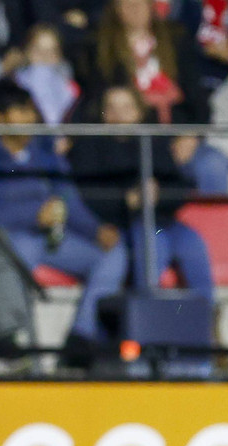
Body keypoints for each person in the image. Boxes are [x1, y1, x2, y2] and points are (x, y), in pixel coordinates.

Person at [0, 81, 127, 350]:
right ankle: (23, 345)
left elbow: (69, 200)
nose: (30, 118)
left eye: (31, 111)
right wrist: (34, 215)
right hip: (14, 239)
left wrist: (95, 230)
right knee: (12, 256)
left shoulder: (45, 152)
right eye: (21, 111)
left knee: (114, 252)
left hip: (54, 238)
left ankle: (82, 336)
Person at [69, 86, 214, 300]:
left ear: (139, 112)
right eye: (111, 108)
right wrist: (126, 201)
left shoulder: (154, 141)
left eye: (126, 107)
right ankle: (146, 310)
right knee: (153, 243)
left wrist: (158, 194)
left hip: (164, 221)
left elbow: (181, 188)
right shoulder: (89, 146)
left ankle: (206, 312)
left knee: (193, 243)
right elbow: (87, 196)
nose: (119, 115)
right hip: (125, 224)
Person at [86, 0, 204, 124]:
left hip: (175, 125)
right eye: (127, 3)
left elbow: (194, 92)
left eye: (140, 2)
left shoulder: (177, 40)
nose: (134, 8)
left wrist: (191, 131)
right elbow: (98, 97)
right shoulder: (102, 48)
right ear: (116, 9)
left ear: (150, 5)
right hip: (127, 128)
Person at [11, 23, 80, 125]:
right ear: (27, 52)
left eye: (51, 52)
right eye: (38, 51)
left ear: (60, 55)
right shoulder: (14, 85)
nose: (44, 57)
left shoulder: (70, 89)